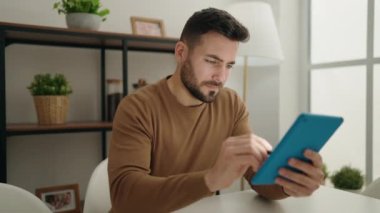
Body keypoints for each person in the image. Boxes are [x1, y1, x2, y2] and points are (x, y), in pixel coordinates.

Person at [108, 7, 325, 213]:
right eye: (212, 61)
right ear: (181, 52)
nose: (221, 77)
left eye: (229, 65)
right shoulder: (137, 107)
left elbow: (255, 174)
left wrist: (289, 183)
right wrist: (210, 179)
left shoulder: (231, 104)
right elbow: (124, 195)